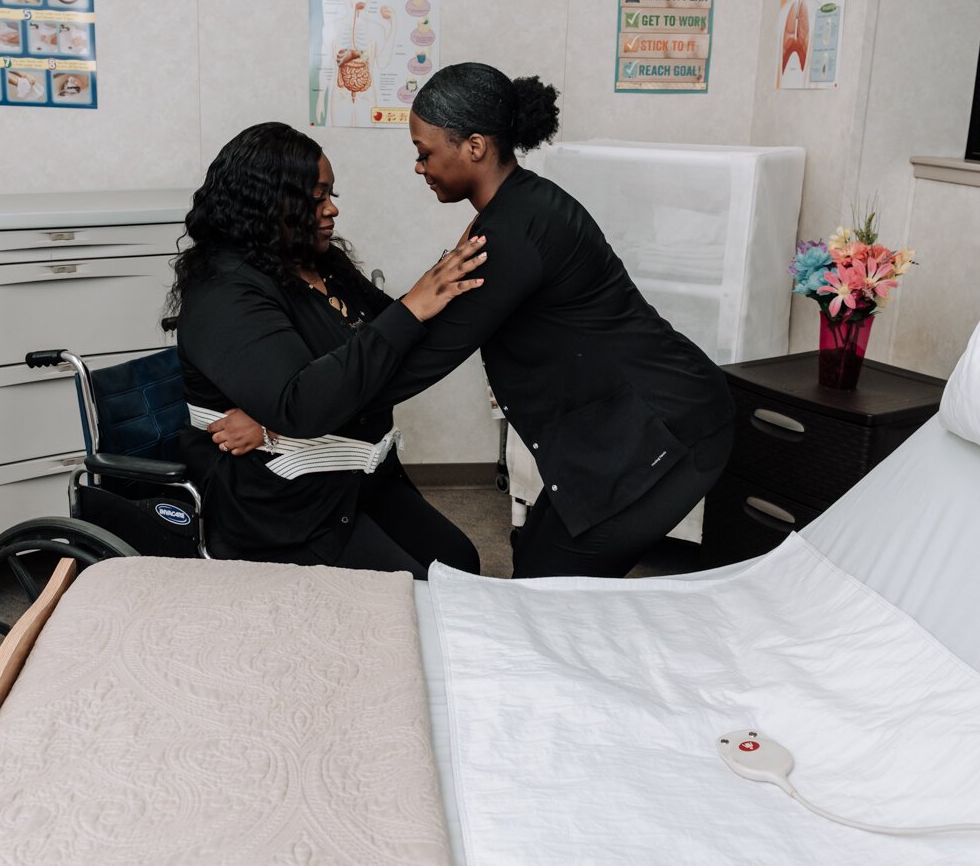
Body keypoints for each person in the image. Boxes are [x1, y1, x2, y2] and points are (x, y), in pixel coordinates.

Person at [216, 63, 735, 579]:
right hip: (620, 425)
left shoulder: (511, 234)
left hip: (666, 427)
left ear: (475, 146)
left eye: (425, 153)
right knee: (538, 563)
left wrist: (280, 421)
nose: (419, 167)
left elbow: (422, 358)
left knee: (543, 591)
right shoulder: (519, 207)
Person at [166, 122, 485, 578]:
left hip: (355, 477)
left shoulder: (319, 263)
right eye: (315, 197)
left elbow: (389, 346)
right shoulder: (225, 290)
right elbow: (301, 403)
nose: (332, 209)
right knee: (413, 592)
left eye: (330, 193)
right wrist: (280, 417)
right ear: (265, 202)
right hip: (283, 502)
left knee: (460, 566)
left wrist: (448, 280)